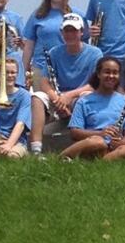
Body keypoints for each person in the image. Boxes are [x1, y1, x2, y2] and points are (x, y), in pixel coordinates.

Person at [29, 14, 99, 154]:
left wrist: (69, 96)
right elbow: (44, 82)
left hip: (80, 96)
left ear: (81, 32)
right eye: (66, 31)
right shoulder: (54, 53)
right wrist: (56, 99)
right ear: (61, 33)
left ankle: (82, 145)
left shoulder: (95, 53)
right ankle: (36, 149)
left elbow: (95, 84)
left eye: (74, 30)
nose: (70, 34)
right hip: (59, 97)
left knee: (85, 97)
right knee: (37, 97)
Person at [63, 57, 125, 161]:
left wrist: (120, 143)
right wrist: (100, 134)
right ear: (99, 74)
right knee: (98, 142)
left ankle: (103, 161)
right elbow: (75, 132)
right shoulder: (83, 101)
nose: (111, 76)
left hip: (113, 147)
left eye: (115, 73)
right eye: (107, 72)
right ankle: (62, 157)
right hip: (93, 143)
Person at [21, 0, 75, 69]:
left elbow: (84, 43)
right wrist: (23, 73)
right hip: (40, 68)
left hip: (68, 68)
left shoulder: (76, 15)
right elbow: (29, 46)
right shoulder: (37, 15)